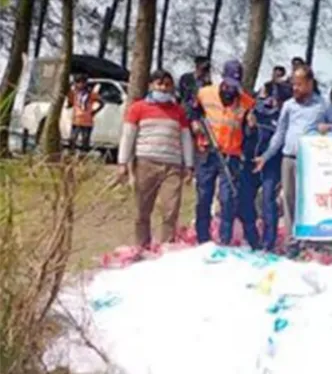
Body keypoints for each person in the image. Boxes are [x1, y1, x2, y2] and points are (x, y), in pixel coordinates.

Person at [252, 65, 332, 257]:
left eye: (299, 84)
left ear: (309, 83)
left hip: (311, 160)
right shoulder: (289, 106)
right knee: (289, 200)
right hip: (288, 158)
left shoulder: (322, 104)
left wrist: (328, 128)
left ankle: (308, 242)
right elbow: (280, 133)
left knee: (307, 201)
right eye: (293, 85)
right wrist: (265, 156)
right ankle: (291, 244)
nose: (295, 88)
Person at [116, 69, 194, 256]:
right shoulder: (138, 108)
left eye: (167, 85)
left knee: (170, 209)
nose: (163, 88)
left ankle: (167, 248)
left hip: (172, 166)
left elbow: (186, 139)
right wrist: (122, 163)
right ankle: (142, 247)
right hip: (146, 163)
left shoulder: (178, 111)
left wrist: (189, 165)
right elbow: (128, 136)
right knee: (143, 209)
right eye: (159, 84)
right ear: (151, 85)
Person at [190, 59, 260, 247]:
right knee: (204, 196)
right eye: (228, 85)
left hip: (231, 156)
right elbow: (193, 111)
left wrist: (251, 128)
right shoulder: (205, 93)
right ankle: (202, 239)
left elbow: (249, 135)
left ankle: (224, 239)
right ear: (222, 80)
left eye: (235, 86)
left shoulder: (247, 102)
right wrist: (195, 123)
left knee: (228, 199)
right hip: (207, 152)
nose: (231, 90)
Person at [243, 74, 293, 252]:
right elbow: (243, 134)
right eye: (267, 95)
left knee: (268, 202)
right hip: (250, 161)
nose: (270, 101)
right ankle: (251, 238)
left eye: (276, 97)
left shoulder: (286, 115)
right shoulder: (253, 110)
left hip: (271, 163)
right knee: (245, 201)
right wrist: (249, 126)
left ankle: (268, 243)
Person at [66, 73, 103, 153]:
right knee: (72, 140)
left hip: (87, 121)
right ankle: (71, 155)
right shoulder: (74, 93)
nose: (80, 85)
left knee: (85, 142)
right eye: (78, 82)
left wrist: (94, 112)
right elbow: (70, 100)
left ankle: (83, 158)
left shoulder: (90, 94)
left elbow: (101, 102)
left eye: (82, 82)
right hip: (76, 120)